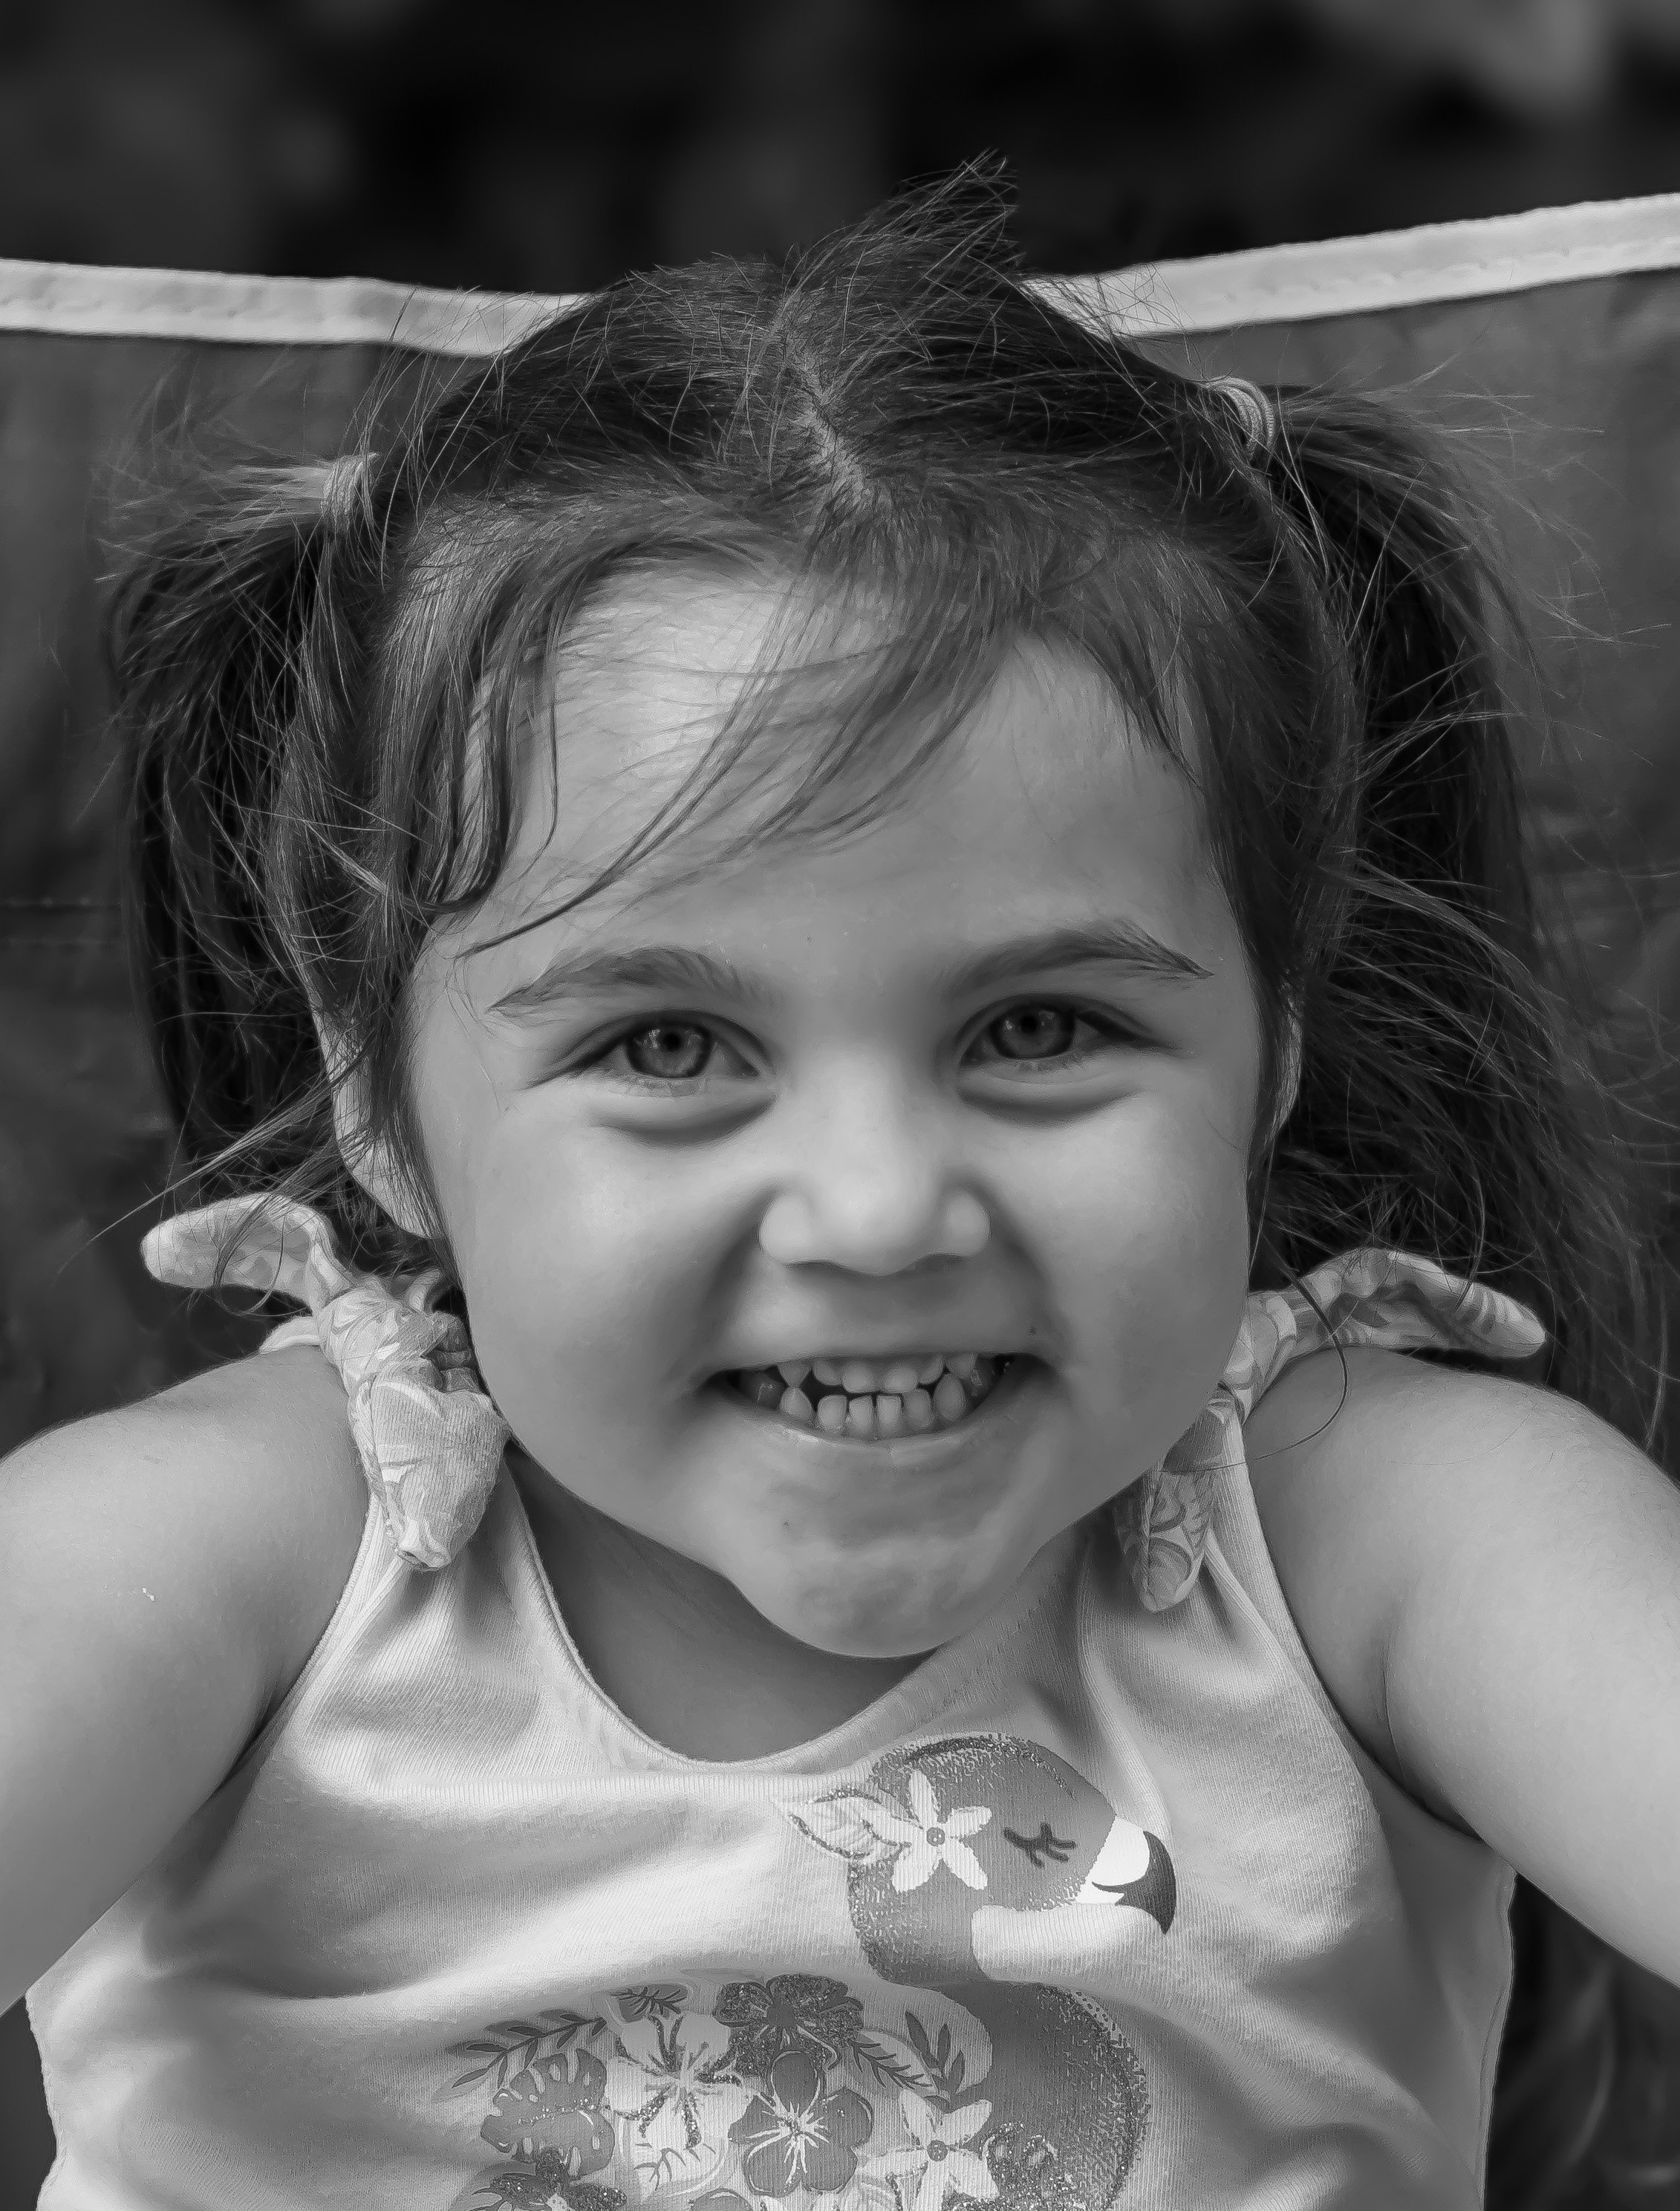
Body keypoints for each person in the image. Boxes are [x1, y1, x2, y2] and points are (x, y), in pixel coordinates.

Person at [1, 175, 1676, 2210]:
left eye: (1041, 1029)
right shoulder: (232, 1563)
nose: (879, 1215)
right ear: (379, 1102)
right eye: (671, 1049)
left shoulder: (1379, 1533)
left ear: (1277, 1042)